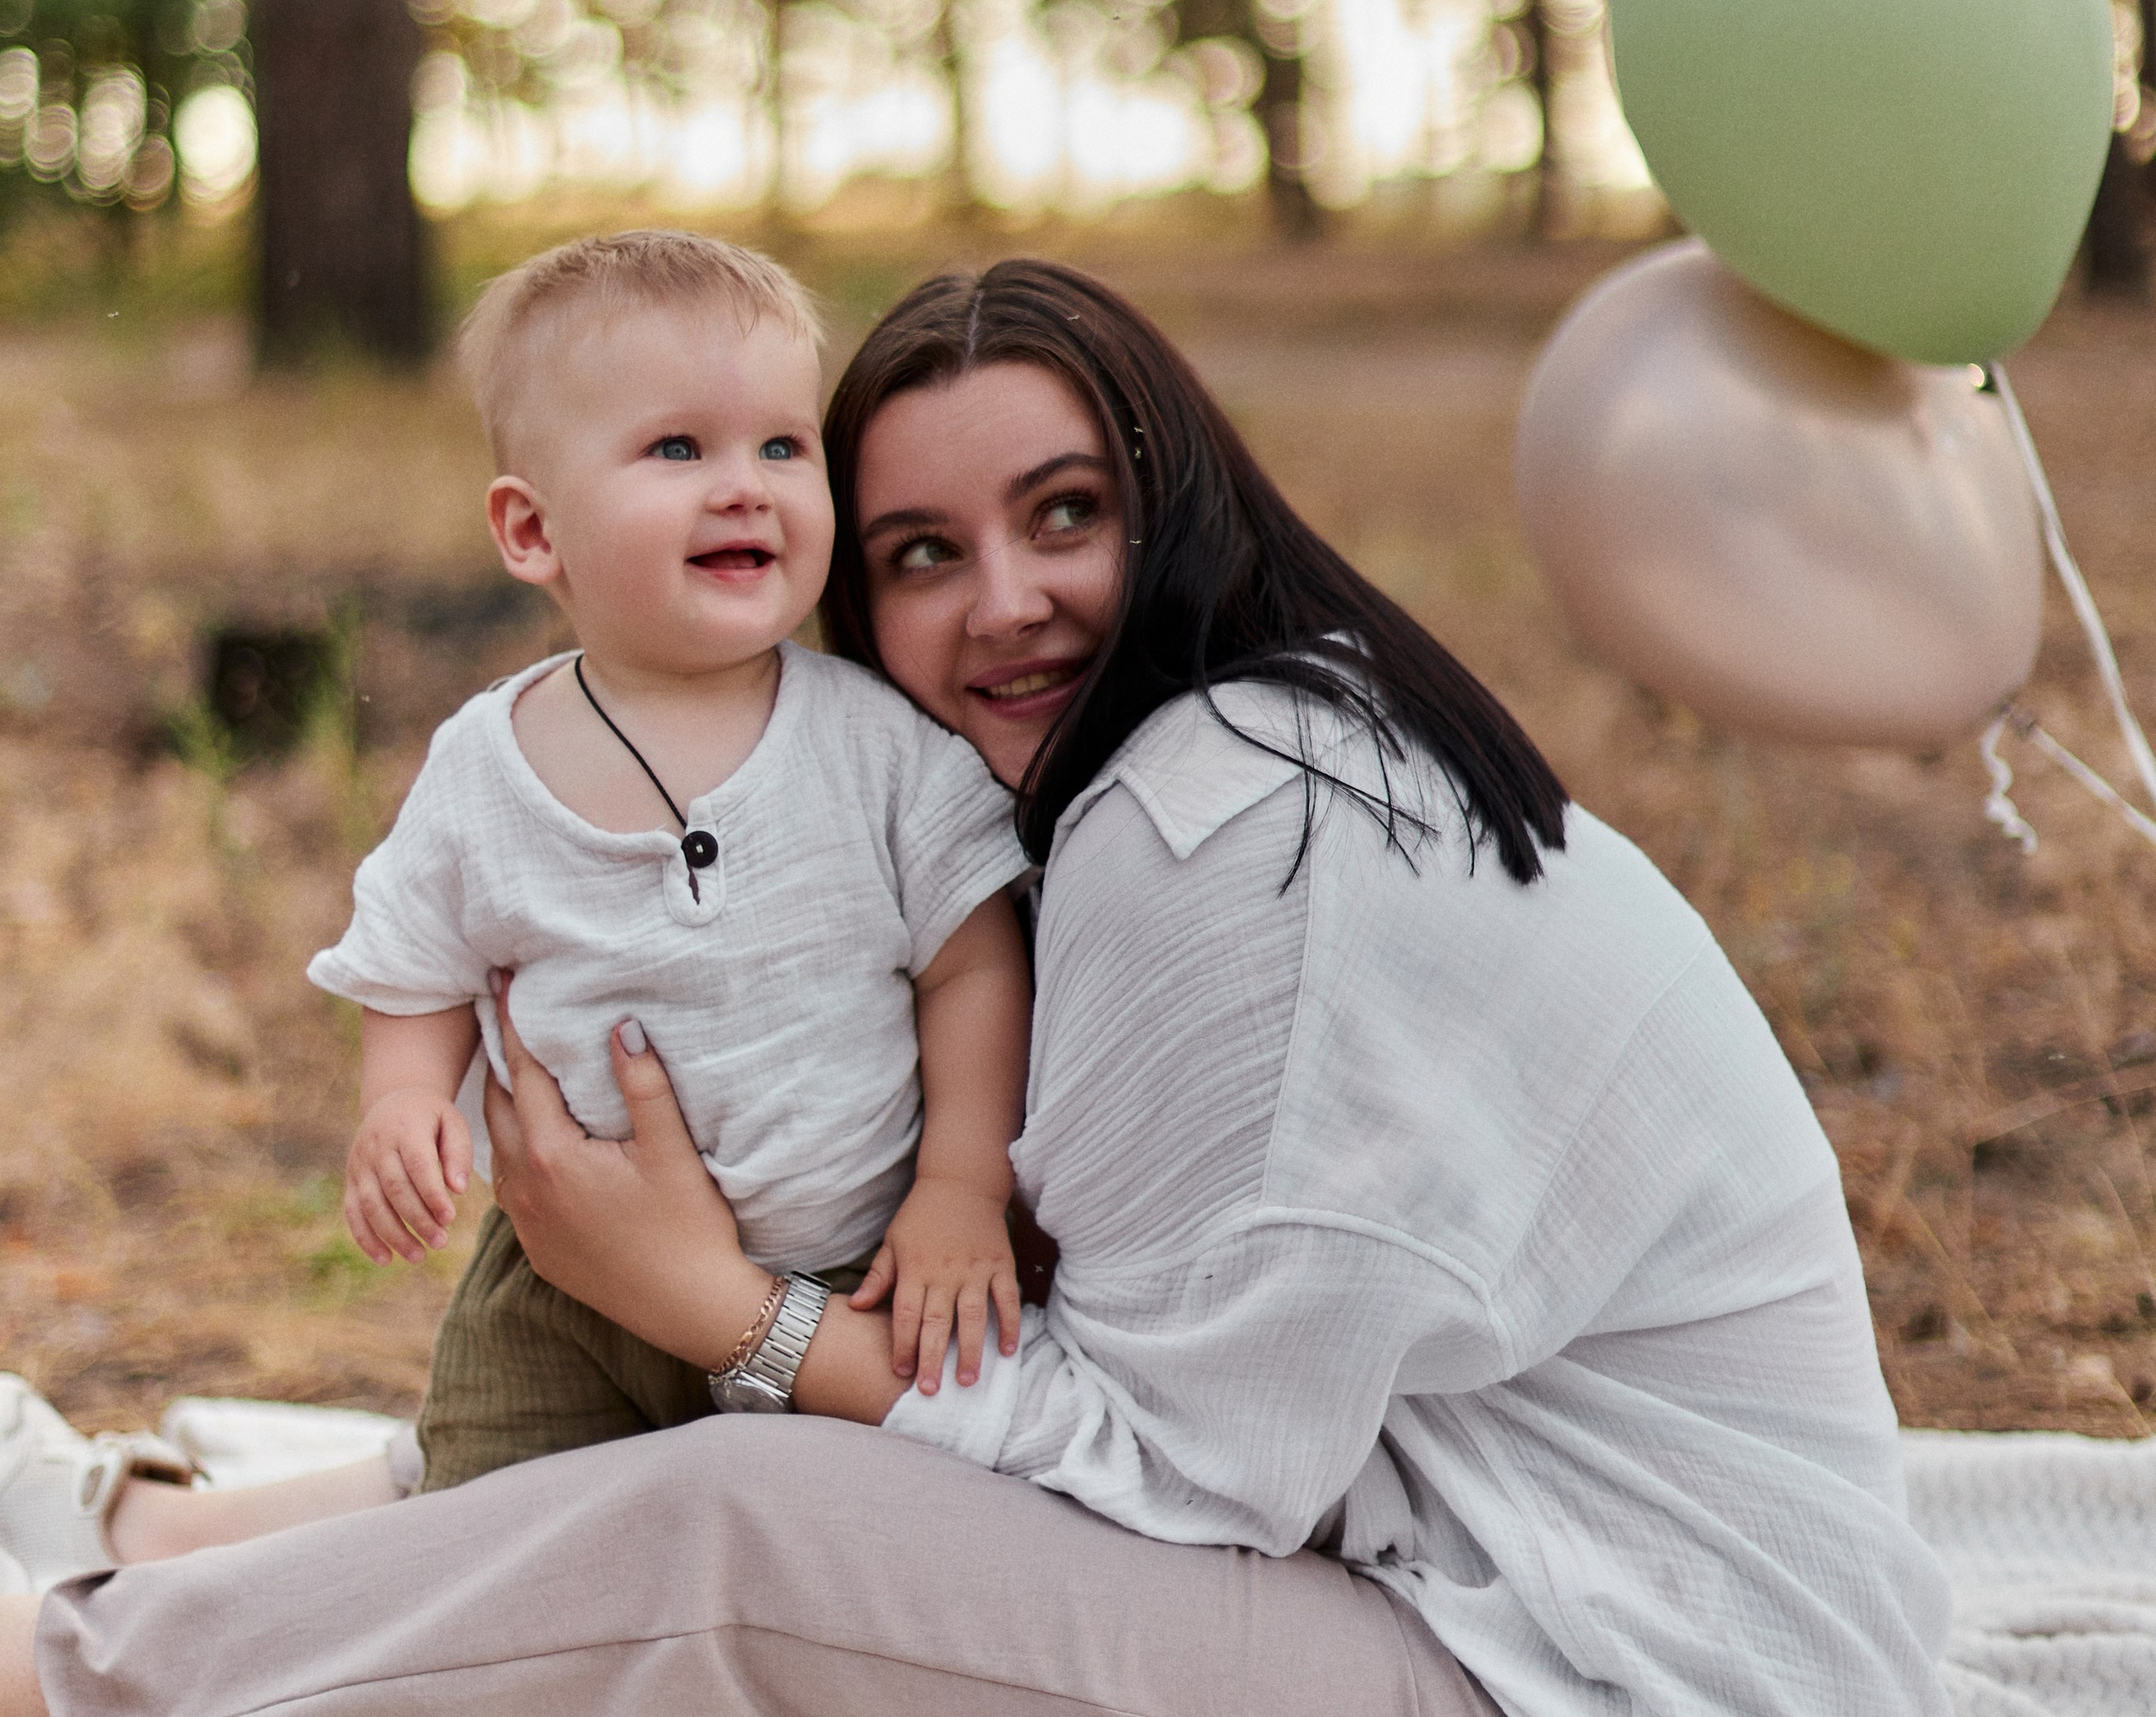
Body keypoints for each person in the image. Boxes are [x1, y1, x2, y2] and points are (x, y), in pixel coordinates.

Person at [0, 259, 1954, 1717]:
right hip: (1483, 1544)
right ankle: (145, 1526)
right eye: (923, 551)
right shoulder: (1246, 741)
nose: (997, 601)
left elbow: (1178, 1471)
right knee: (689, 1412)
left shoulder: (1231, 836)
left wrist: (719, 1307)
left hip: (1611, 1663)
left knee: (740, 1519)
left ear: (1174, 497)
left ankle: (77, 1668)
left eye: (1064, 514)